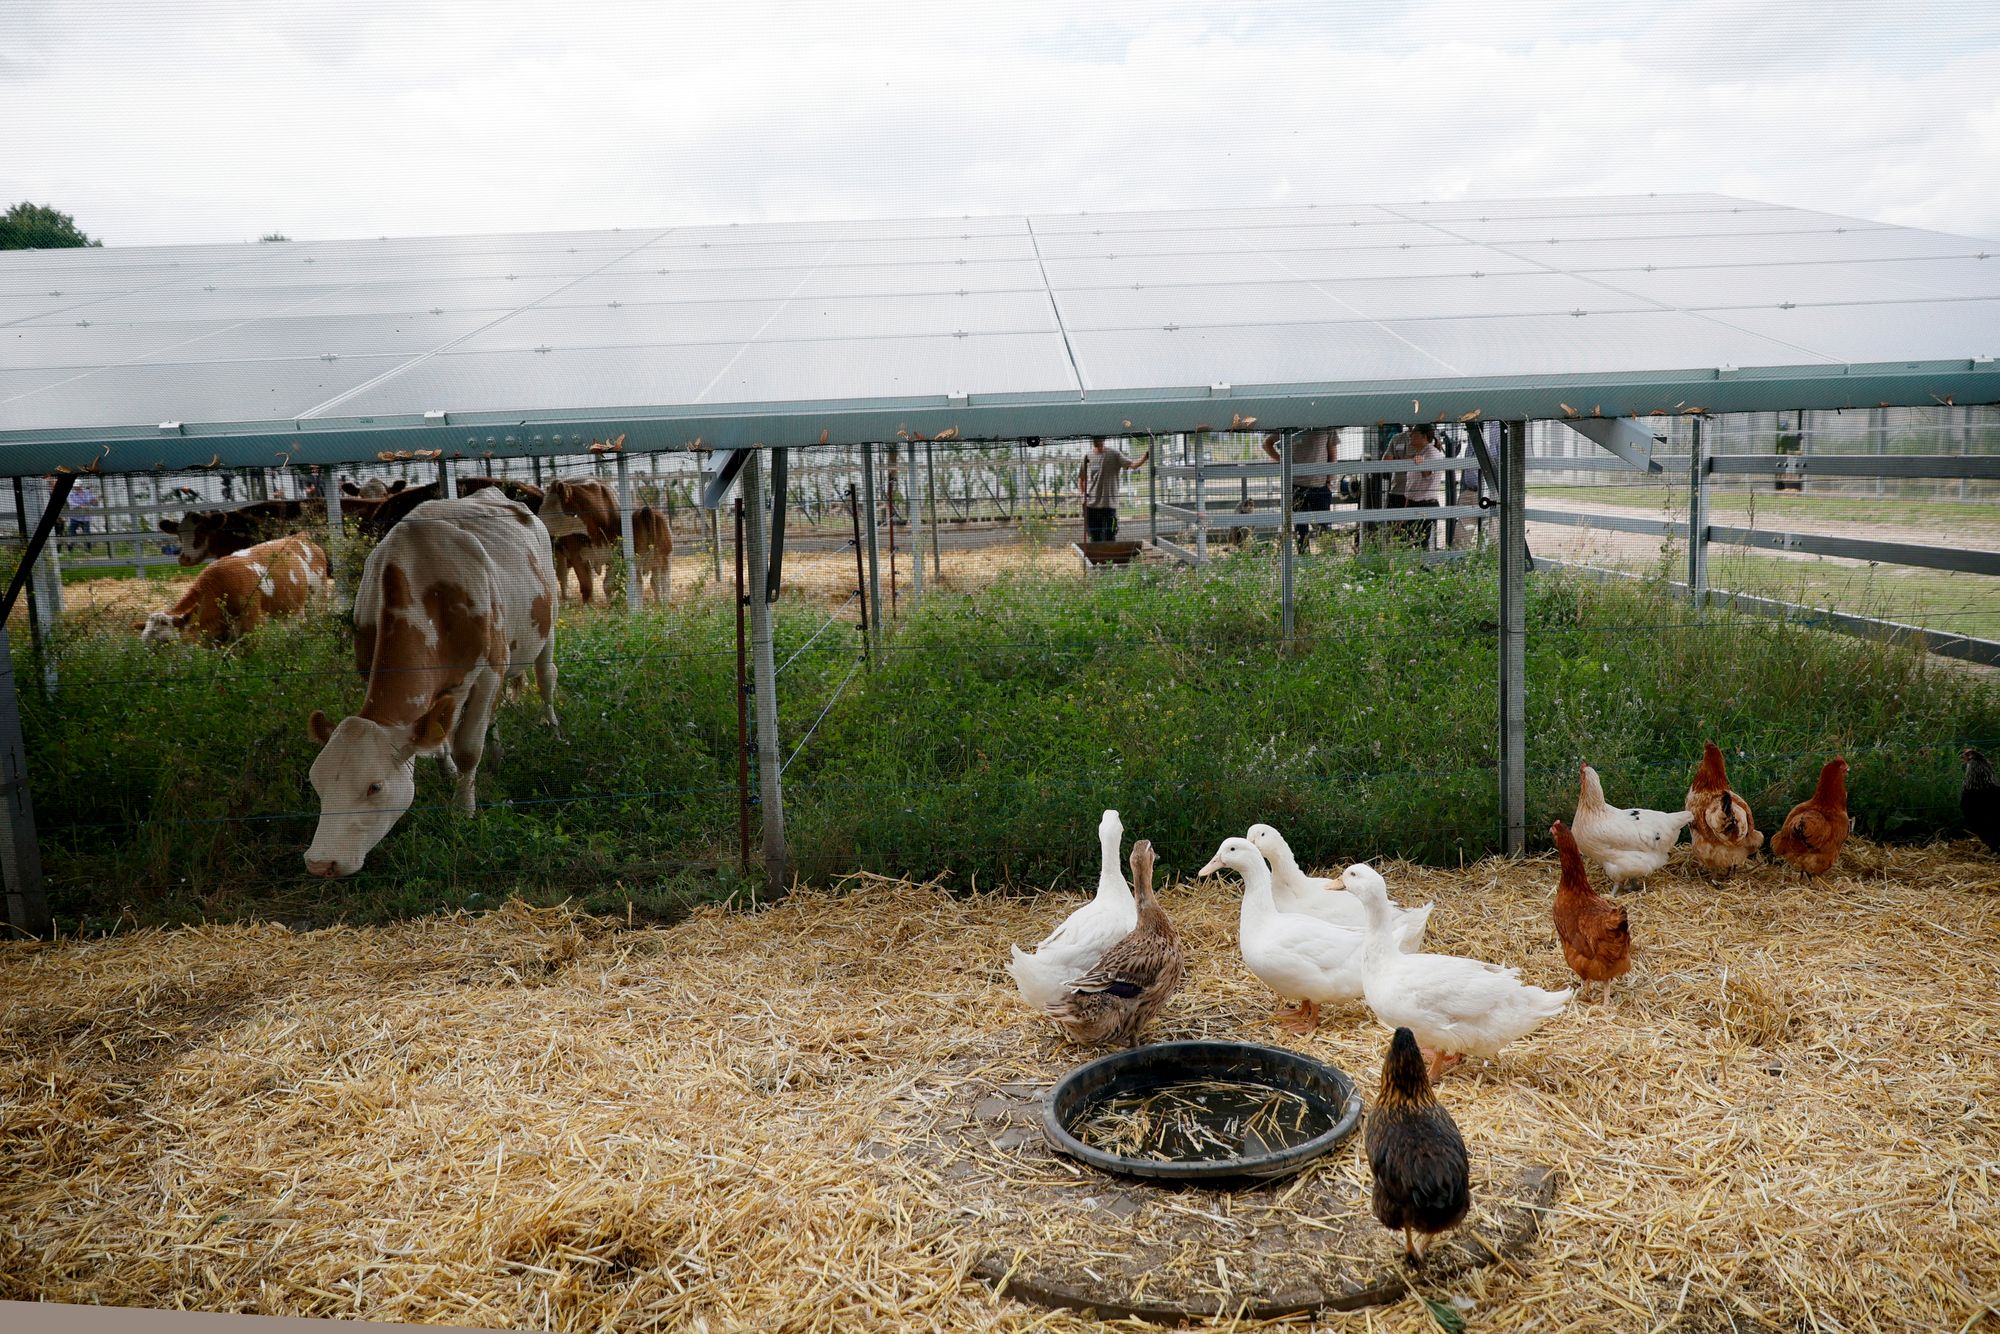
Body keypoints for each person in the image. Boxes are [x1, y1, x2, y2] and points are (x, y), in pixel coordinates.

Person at [1263, 428, 1337, 555]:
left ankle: (1329, 557)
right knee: (1301, 530)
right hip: (1295, 486)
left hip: (1320, 485)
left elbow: (1333, 455)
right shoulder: (1289, 423)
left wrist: (1329, 482)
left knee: (1324, 526)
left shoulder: (1326, 425)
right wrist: (1283, 461)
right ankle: (1304, 558)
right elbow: (1266, 444)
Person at [1076, 436, 1149, 543]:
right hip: (1091, 506)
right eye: (1093, 439)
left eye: (1098, 439)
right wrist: (1082, 494)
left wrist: (1145, 457)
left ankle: (1109, 559)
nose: (1095, 441)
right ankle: (1097, 559)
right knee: (1095, 537)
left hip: (1109, 505)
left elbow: (1132, 465)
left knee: (1110, 535)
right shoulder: (1087, 457)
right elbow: (1081, 479)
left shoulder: (1114, 454)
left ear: (1104, 439)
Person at [1383, 424, 1443, 550]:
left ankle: (1421, 566)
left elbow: (1427, 474)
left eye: (1414, 434)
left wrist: (1422, 465)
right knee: (1403, 539)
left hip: (1425, 505)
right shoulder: (1419, 453)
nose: (1410, 436)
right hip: (1411, 503)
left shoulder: (1432, 454)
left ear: (1424, 437)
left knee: (1421, 543)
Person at [64, 480, 99, 553]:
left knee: (87, 534)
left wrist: (95, 501)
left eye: (77, 486)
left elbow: (94, 503)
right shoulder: (71, 494)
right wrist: (81, 506)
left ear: (80, 485)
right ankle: (70, 550)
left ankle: (88, 550)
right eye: (75, 486)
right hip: (74, 517)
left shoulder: (87, 492)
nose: (76, 487)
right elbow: (71, 504)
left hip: (86, 518)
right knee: (71, 533)